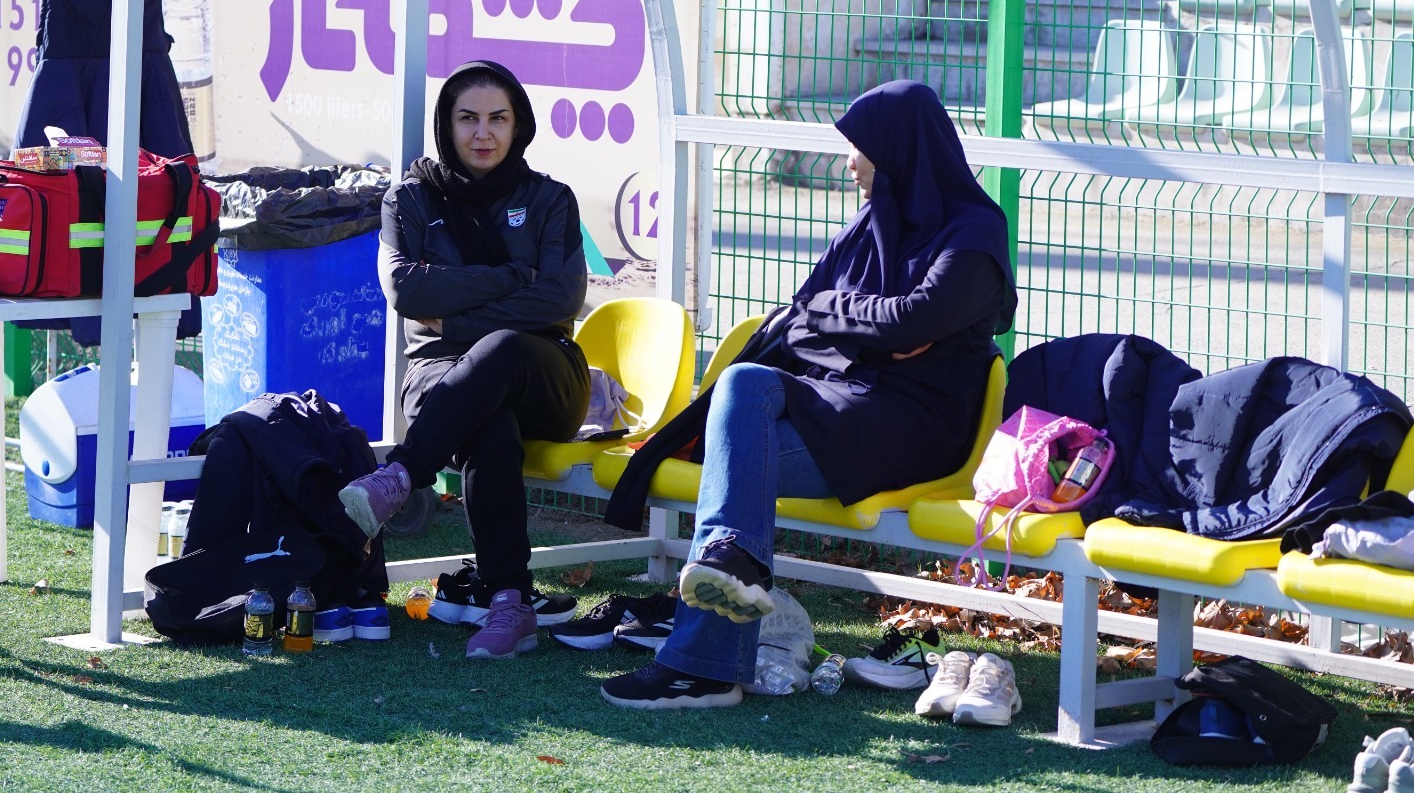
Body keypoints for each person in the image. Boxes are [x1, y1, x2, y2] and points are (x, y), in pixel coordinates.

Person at [599, 79, 1017, 709]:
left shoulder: (975, 231)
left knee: (740, 447)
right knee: (743, 382)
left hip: (913, 428)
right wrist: (870, 329)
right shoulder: (866, 226)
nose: (850, 163)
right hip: (841, 409)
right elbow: (802, 318)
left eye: (861, 148)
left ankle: (705, 661)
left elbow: (911, 320)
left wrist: (852, 320)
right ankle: (728, 584)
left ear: (898, 150)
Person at [338, 60, 590, 660]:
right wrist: (514, 277)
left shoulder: (550, 199)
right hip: (440, 372)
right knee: (490, 426)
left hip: (544, 371)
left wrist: (455, 317)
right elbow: (407, 291)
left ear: (518, 125)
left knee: (503, 348)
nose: (483, 133)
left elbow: (561, 297)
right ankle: (510, 603)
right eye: (467, 118)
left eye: (498, 118)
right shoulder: (410, 198)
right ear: (445, 126)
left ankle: (402, 475)